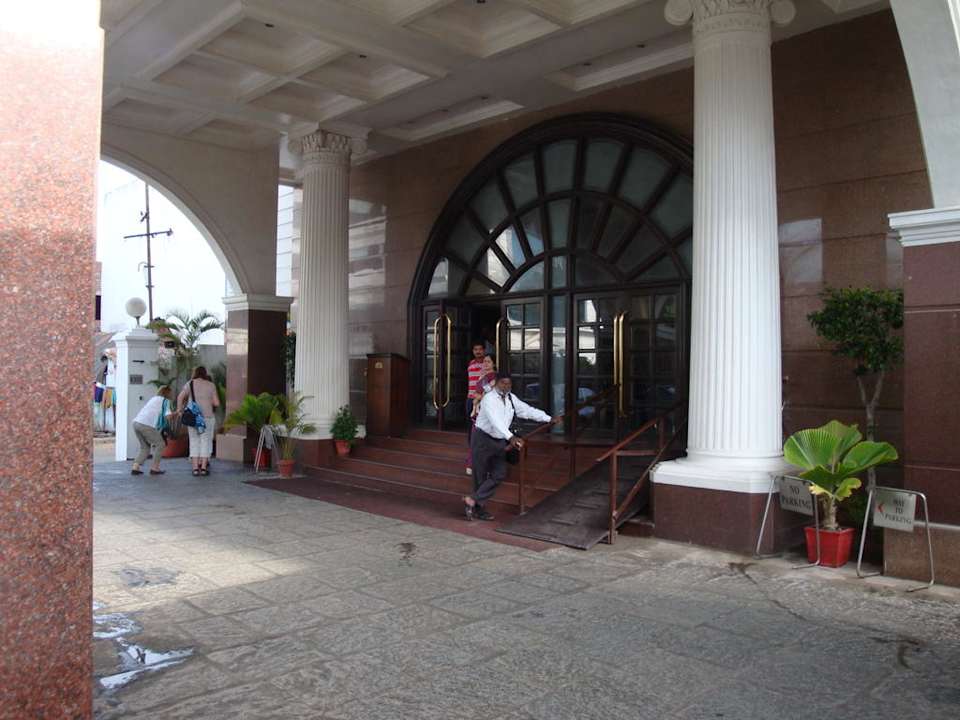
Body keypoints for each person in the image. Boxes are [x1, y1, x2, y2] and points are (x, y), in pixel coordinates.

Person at [465, 373, 557, 521]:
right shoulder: (488, 399)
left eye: (509, 384)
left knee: (500, 473)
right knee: (480, 476)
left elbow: (527, 410)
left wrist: (548, 418)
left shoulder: (511, 398)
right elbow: (496, 421)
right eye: (503, 383)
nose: (506, 386)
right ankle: (478, 509)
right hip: (482, 439)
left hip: (499, 440)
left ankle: (473, 500)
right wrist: (511, 437)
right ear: (496, 384)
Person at [177, 366, 220, 477]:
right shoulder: (211, 385)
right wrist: (207, 399)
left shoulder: (189, 384)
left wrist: (179, 410)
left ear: (195, 373)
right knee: (205, 441)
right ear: (205, 373)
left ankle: (195, 469)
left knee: (194, 441)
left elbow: (180, 397)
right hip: (207, 417)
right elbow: (216, 403)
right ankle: (204, 469)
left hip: (193, 417)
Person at [131, 386, 174, 476]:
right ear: (168, 393)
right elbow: (168, 416)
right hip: (146, 425)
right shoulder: (165, 401)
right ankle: (155, 468)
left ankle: (135, 467)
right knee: (160, 444)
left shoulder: (154, 399)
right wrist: (177, 413)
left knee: (145, 447)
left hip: (136, 423)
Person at [464, 342, 486, 475]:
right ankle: (471, 451)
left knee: (479, 428)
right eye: (475, 349)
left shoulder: (487, 364)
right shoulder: (471, 363)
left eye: (480, 349)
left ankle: (477, 456)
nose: (478, 351)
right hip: (470, 398)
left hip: (481, 400)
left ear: (484, 350)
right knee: (470, 426)